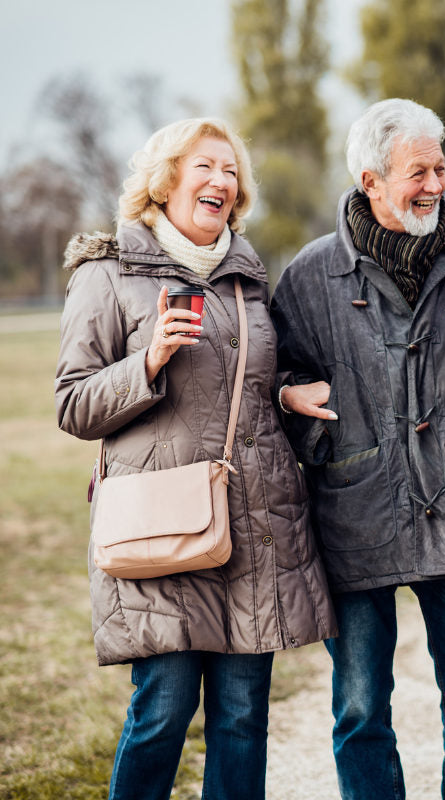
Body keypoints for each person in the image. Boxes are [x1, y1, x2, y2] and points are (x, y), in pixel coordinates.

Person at [269, 98, 445, 800]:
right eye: (417, 171)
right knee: (361, 706)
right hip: (356, 512)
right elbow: (279, 383)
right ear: (370, 180)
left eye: (441, 168)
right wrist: (297, 405)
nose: (434, 185)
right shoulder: (309, 276)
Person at [55, 118, 336, 800]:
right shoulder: (109, 274)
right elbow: (72, 403)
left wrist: (287, 396)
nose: (221, 180)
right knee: (164, 712)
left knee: (242, 718)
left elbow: (242, 384)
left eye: (231, 170)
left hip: (251, 526)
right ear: (167, 179)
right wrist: (147, 362)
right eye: (204, 166)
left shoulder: (245, 278)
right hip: (162, 527)